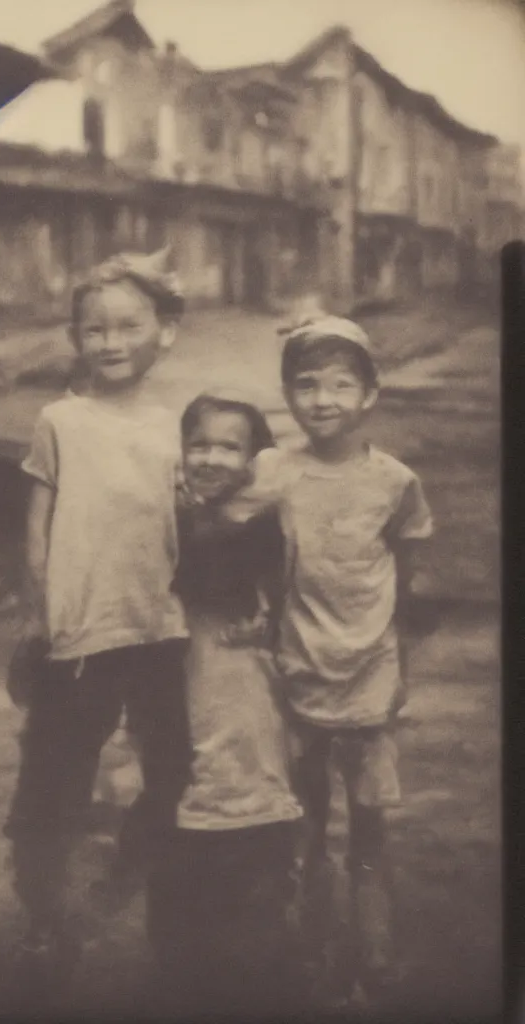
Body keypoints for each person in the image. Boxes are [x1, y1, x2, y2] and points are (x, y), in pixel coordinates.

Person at [2, 249, 193, 983]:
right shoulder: (60, 420)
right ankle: (46, 920)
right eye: (94, 330)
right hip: (77, 633)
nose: (111, 343)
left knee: (174, 772)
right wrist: (40, 611)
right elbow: (38, 524)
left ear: (164, 332)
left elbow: (196, 524)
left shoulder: (181, 428)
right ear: (77, 338)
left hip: (161, 630)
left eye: (128, 326)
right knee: (52, 778)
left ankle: (139, 879)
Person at [247, 316, 434, 1006]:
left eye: (340, 385)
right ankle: (308, 948)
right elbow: (244, 548)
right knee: (301, 824)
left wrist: (399, 665)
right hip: (295, 675)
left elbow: (405, 573)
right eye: (306, 385)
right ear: (288, 394)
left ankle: (374, 951)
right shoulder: (275, 474)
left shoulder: (394, 481)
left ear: (370, 393)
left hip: (371, 681)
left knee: (370, 830)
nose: (322, 400)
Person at [146, 391, 304, 1017]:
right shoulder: (174, 520)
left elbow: (226, 565)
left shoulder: (255, 524)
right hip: (184, 757)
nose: (209, 457)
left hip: (250, 751)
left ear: (255, 459)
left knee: (256, 909)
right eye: (198, 443)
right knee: (182, 913)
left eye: (229, 446)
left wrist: (257, 486)